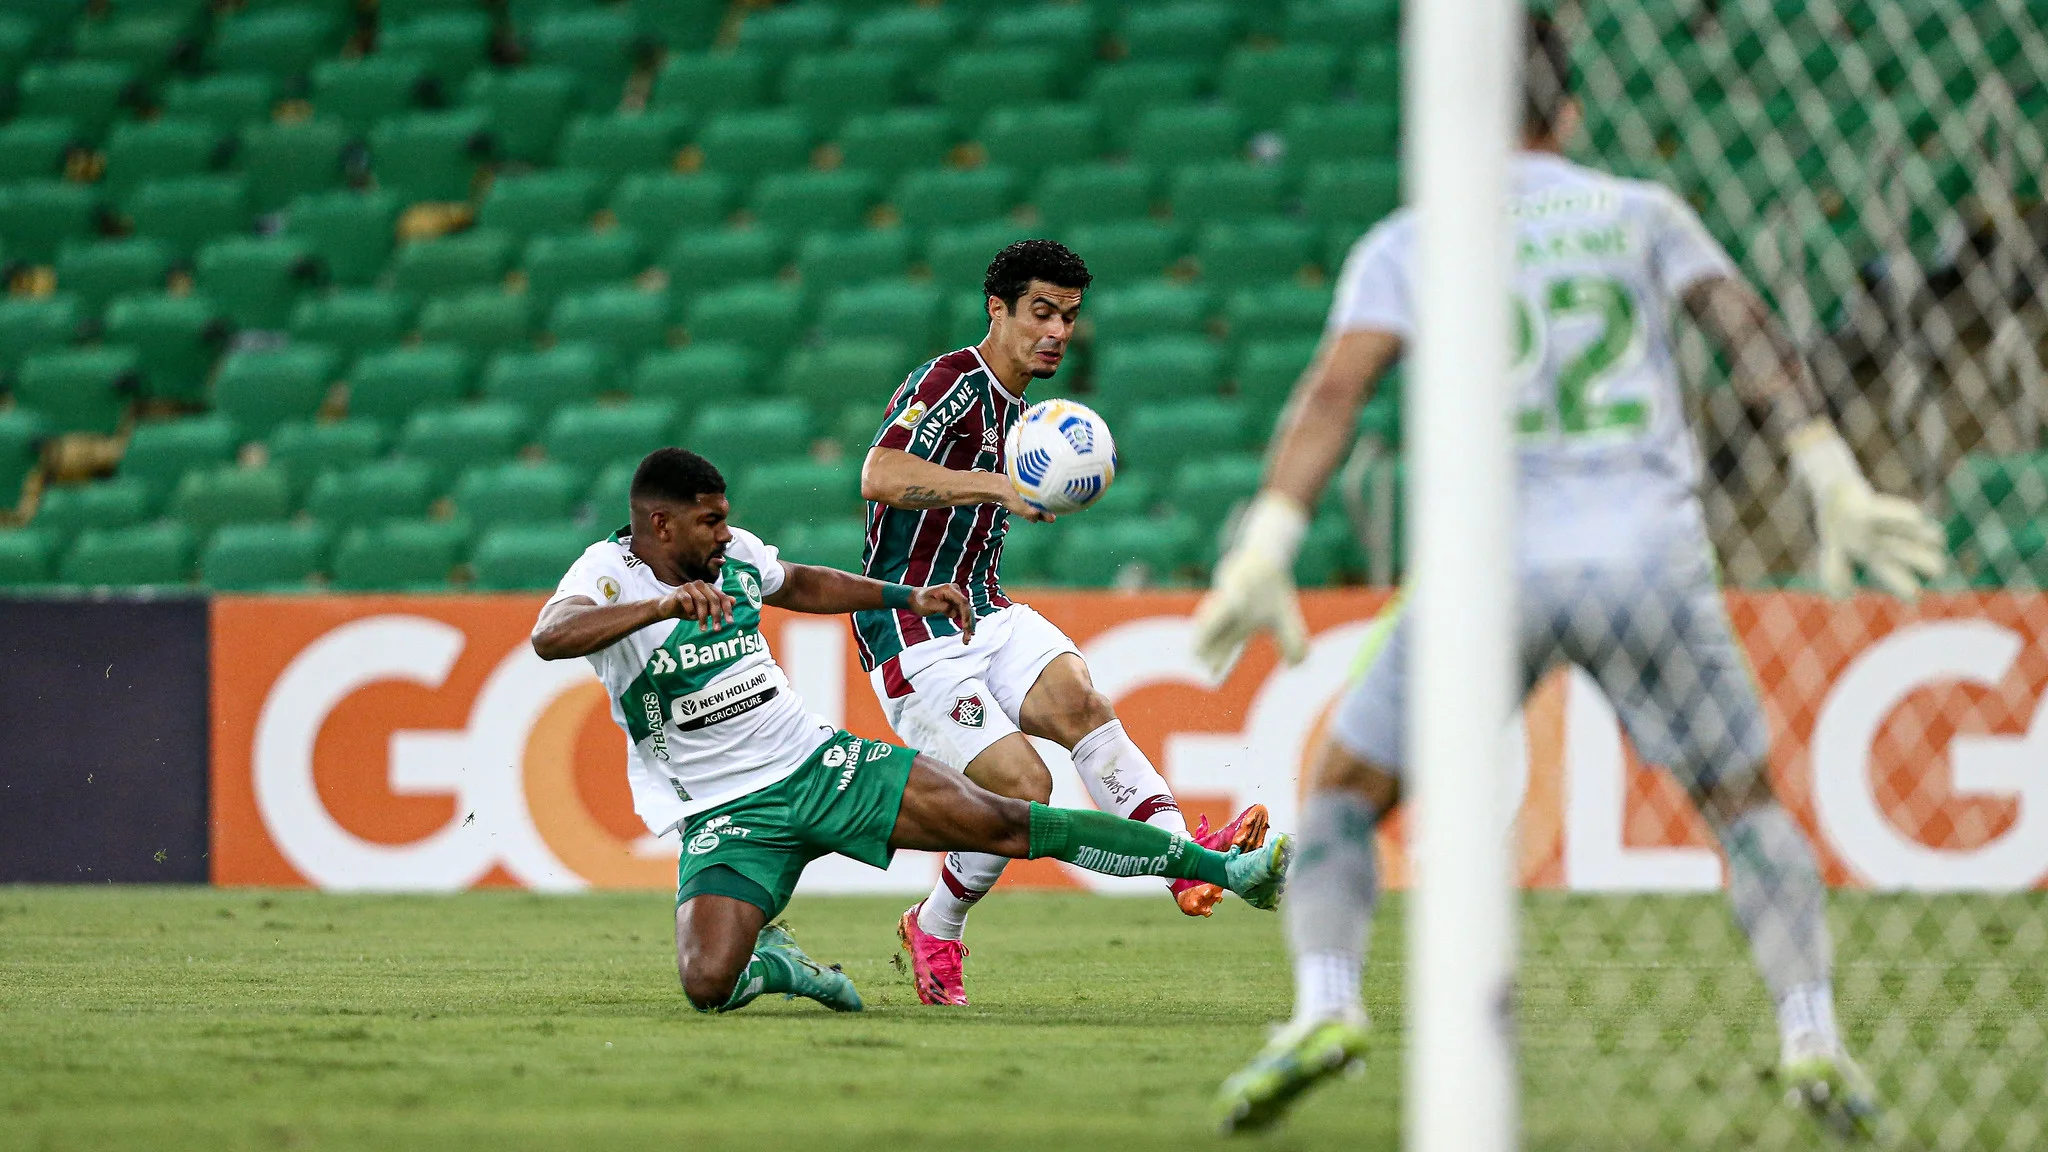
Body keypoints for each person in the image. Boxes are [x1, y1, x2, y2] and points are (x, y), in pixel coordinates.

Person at [1194, 15, 1942, 1136]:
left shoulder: (1413, 235)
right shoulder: (1639, 209)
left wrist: (1265, 542)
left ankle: (1325, 1006)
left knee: (1344, 791)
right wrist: (1826, 474)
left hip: (1484, 561)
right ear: (1570, 111)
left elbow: (1335, 391)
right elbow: (1748, 333)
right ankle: (1809, 1034)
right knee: (1742, 806)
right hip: (1647, 553)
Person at [531, 447, 1292, 1015]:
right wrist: (660, 609)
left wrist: (909, 594)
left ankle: (1225, 871)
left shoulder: (732, 560)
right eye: (710, 521)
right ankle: (780, 964)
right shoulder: (608, 575)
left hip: (817, 764)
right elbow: (551, 634)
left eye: (726, 518)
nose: (726, 534)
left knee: (1005, 817)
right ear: (659, 524)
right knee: (706, 986)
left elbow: (797, 581)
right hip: (725, 811)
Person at [853, 239, 1273, 1007]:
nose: (1056, 331)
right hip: (911, 624)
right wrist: (993, 485)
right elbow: (879, 475)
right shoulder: (951, 381)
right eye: (1040, 312)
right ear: (998, 309)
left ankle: (1180, 857)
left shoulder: (1032, 413)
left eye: (1069, 317)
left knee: (1082, 702)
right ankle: (936, 926)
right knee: (1022, 785)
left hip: (986, 609)